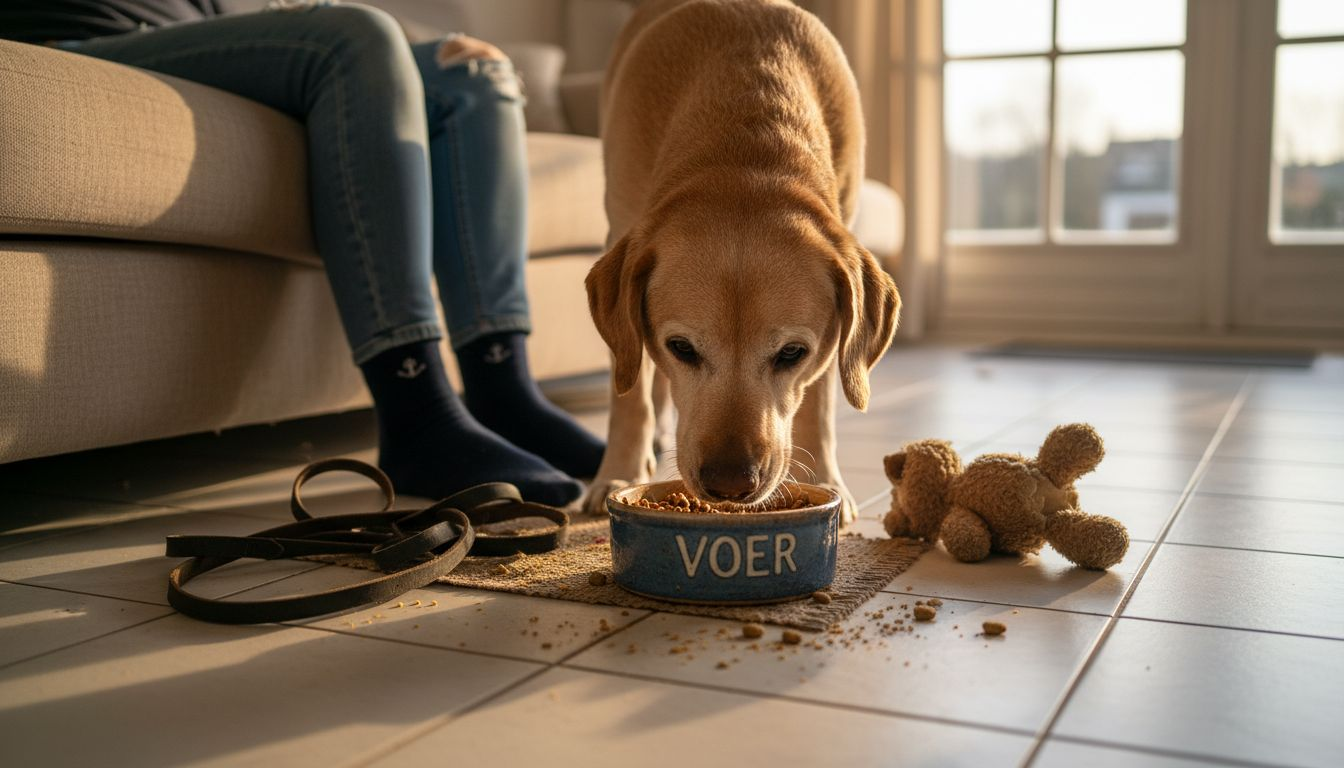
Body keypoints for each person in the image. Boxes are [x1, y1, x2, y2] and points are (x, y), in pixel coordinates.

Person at [0, 1, 605, 506]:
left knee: (474, 73)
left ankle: (504, 392)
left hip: (203, 33)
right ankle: (417, 415)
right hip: (77, 36)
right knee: (356, 35)